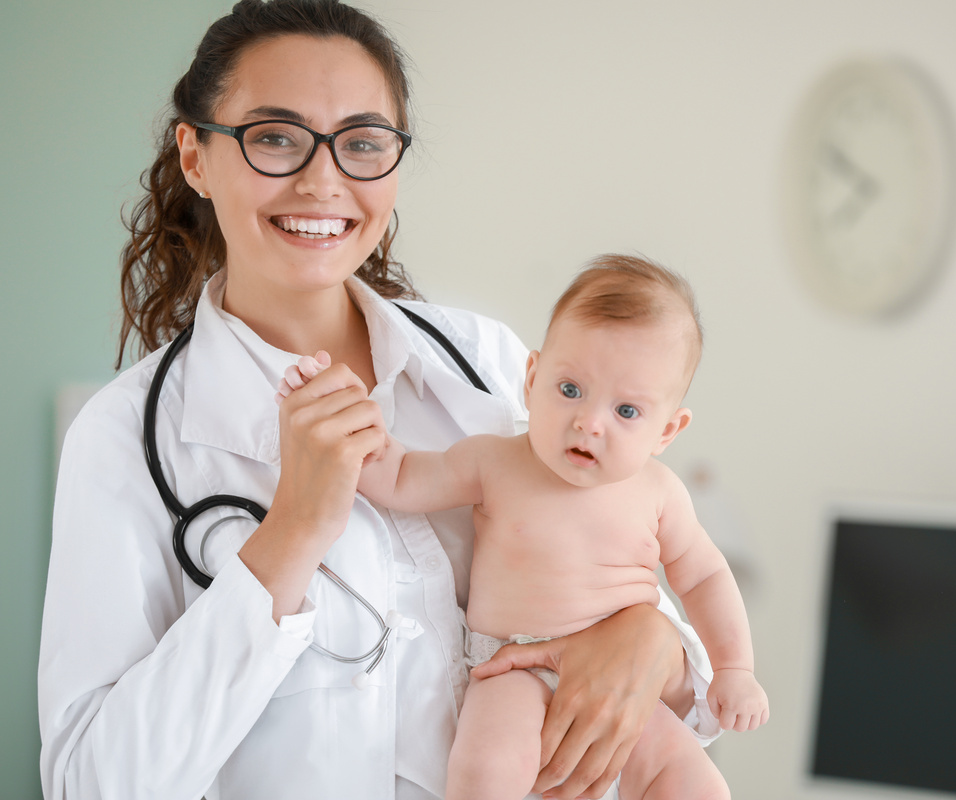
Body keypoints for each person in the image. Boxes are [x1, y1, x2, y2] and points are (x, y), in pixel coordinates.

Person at [36, 3, 720, 799]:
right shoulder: (123, 440)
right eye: (276, 137)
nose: (323, 181)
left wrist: (655, 639)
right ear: (196, 155)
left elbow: (639, 603)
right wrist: (291, 534)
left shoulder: (496, 368)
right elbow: (92, 783)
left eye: (362, 143)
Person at [279, 254, 769, 800]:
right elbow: (400, 477)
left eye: (627, 412)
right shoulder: (496, 462)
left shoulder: (660, 493)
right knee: (487, 772)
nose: (590, 421)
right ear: (532, 378)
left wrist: (733, 669)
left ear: (667, 430)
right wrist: (346, 418)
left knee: (698, 785)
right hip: (510, 667)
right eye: (570, 390)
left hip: (621, 682)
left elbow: (703, 577)